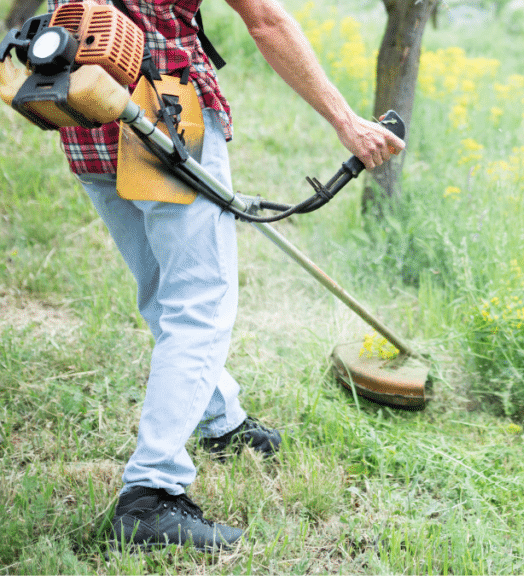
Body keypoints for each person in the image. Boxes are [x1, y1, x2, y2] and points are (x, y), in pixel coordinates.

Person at [45, 0, 405, 551]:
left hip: (83, 112)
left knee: (164, 294)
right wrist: (347, 121)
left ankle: (222, 420)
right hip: (162, 112)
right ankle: (152, 493)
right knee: (199, 305)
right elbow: (265, 18)